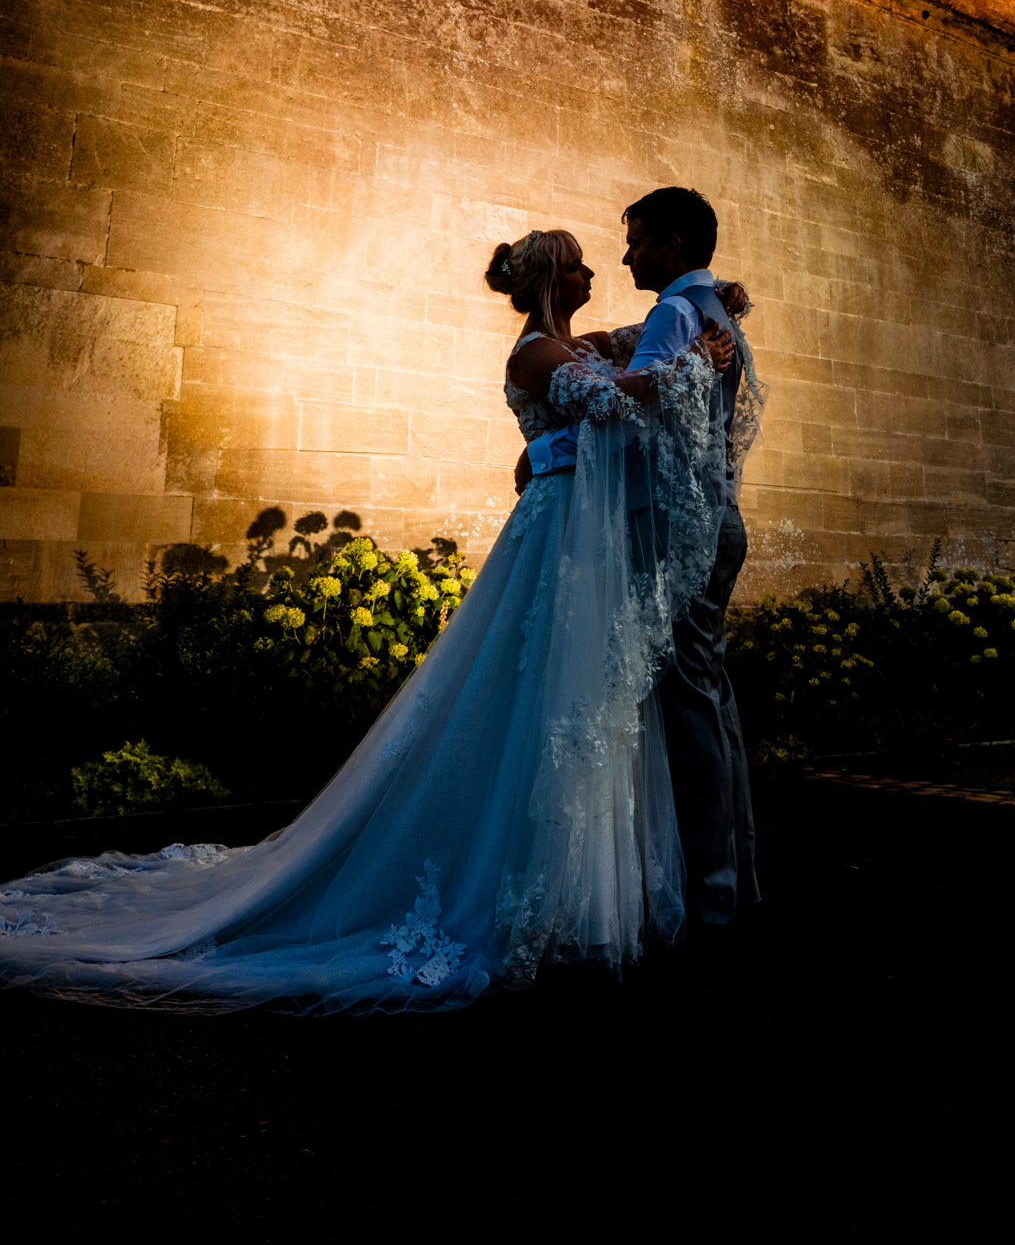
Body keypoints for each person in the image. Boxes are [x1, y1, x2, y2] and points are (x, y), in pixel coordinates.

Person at [0, 229, 740, 1012]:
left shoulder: (573, 343)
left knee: (573, 702)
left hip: (577, 540)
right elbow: (623, 398)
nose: (597, 270)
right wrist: (694, 364)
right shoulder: (533, 354)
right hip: (555, 538)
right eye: (579, 263)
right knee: (533, 695)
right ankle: (507, 886)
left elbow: (628, 340)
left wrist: (706, 304)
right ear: (554, 277)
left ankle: (557, 889)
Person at [620, 187, 764, 929]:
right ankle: (730, 873)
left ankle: (710, 894)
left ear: (672, 245)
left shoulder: (676, 313)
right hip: (718, 517)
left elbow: (633, 405)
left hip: (686, 526)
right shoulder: (712, 311)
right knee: (710, 696)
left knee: (688, 701)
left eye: (637, 241)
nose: (626, 255)